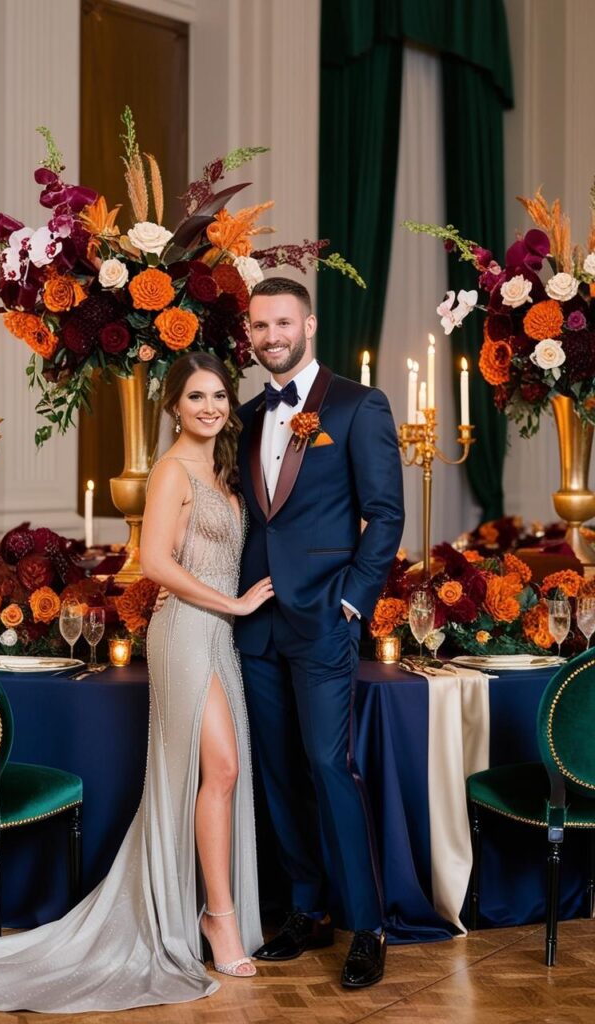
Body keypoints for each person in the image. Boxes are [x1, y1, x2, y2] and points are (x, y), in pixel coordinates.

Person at [0, 352, 271, 1013]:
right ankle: (217, 916)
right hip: (187, 629)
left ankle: (215, 910)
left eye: (219, 395)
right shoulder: (170, 470)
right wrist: (236, 605)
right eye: (196, 397)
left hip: (215, 633)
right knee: (219, 767)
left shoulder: (220, 469)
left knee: (219, 773)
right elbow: (154, 561)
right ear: (174, 407)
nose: (211, 407)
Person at [235, 276, 404, 989]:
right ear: (248, 335)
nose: (271, 336)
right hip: (255, 623)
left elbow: (386, 514)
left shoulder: (358, 404)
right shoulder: (242, 415)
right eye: (259, 326)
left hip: (325, 619)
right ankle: (307, 910)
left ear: (308, 323)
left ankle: (367, 925)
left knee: (330, 766)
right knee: (275, 772)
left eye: (282, 322)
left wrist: (352, 604)